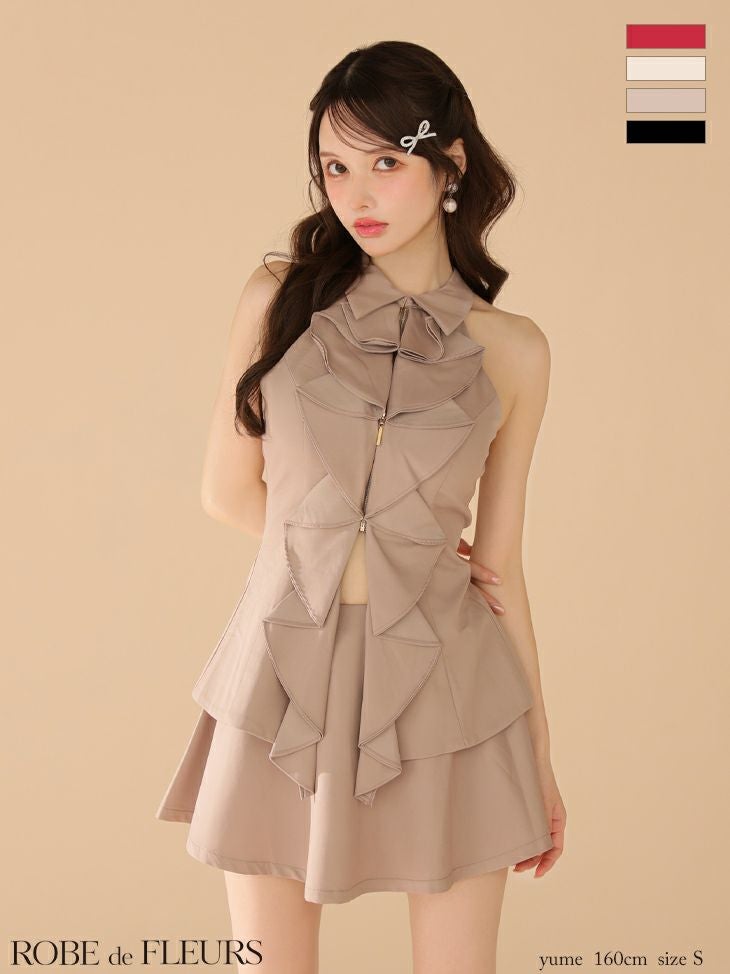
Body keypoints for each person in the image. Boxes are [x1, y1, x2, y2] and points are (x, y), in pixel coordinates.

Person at [156, 39, 567, 974]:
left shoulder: (515, 350)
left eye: (386, 161)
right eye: (335, 168)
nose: (356, 194)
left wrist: (540, 757)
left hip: (451, 690)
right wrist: (357, 549)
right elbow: (227, 492)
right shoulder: (279, 300)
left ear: (449, 163)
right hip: (282, 673)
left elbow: (500, 567)